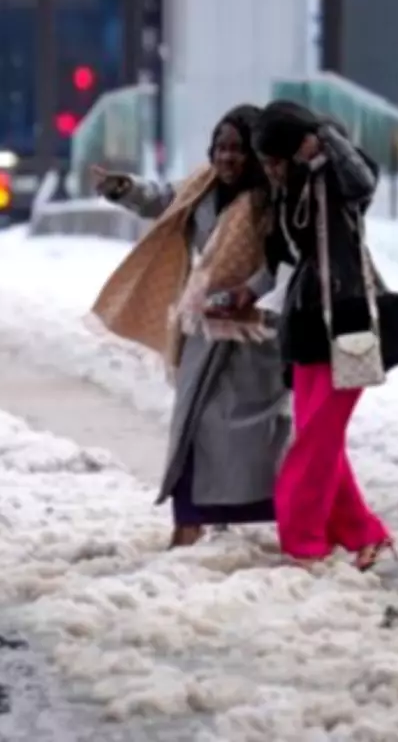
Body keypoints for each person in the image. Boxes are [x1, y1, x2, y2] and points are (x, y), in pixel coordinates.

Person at [89, 105, 289, 548]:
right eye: (220, 147)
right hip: (204, 330)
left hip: (255, 339)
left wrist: (250, 292)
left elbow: (285, 260)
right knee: (193, 428)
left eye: (238, 149)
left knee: (254, 439)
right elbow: (163, 199)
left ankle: (281, 516)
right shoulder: (202, 187)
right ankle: (189, 522)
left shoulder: (273, 198)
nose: (227, 158)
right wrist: (122, 188)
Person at [252, 100, 398, 571]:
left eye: (274, 158)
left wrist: (324, 142)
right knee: (316, 435)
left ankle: (303, 539)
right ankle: (364, 534)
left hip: (348, 321)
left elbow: (364, 179)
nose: (269, 168)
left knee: (315, 443)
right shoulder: (287, 189)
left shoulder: (331, 175)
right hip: (308, 324)